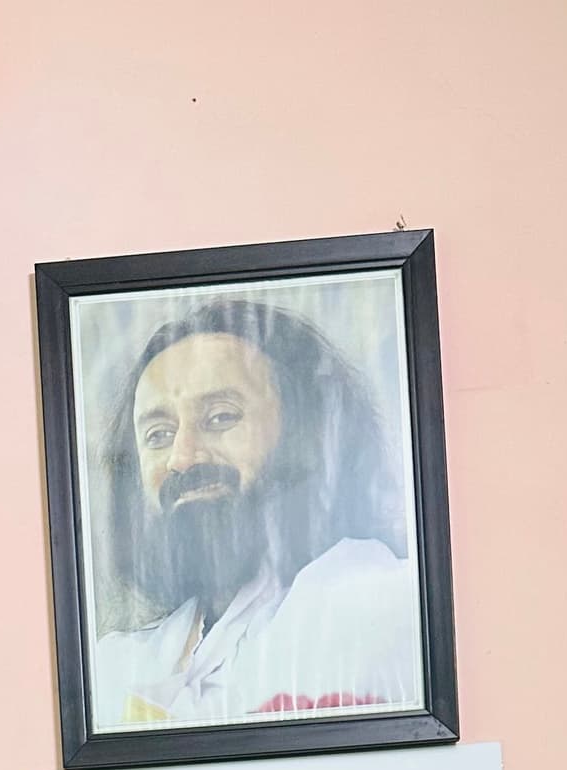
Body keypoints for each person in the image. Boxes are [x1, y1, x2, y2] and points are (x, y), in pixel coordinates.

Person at [87, 297, 424, 731]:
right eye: (158, 435)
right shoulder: (114, 669)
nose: (182, 457)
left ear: (309, 436)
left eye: (221, 417)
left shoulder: (380, 605)